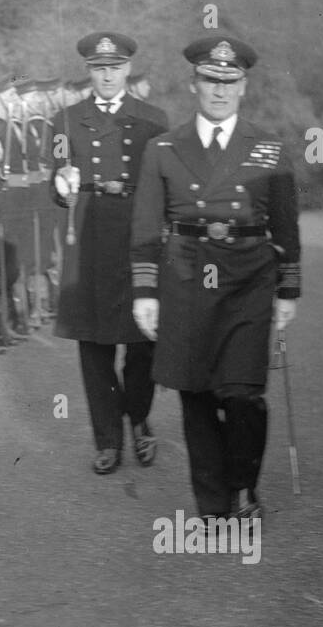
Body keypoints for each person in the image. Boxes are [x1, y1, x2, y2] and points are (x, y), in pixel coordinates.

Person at [129, 35, 300, 518]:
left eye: (230, 81)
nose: (220, 91)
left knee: (243, 393)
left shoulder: (268, 148)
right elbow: (145, 228)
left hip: (249, 278)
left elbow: (286, 225)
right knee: (197, 392)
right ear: (193, 85)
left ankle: (244, 484)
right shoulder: (163, 148)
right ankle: (212, 501)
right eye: (210, 81)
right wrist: (145, 291)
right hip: (185, 277)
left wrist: (289, 287)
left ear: (243, 86)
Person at [51, 31, 167, 475]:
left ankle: (137, 416)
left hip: (138, 235)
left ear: (126, 70)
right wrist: (62, 188)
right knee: (94, 344)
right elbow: (55, 183)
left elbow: (163, 185)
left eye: (114, 68)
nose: (106, 76)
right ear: (89, 72)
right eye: (98, 69)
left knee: (143, 341)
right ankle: (108, 438)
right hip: (90, 234)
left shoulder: (153, 120)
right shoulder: (65, 120)